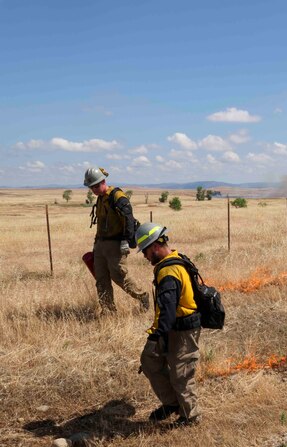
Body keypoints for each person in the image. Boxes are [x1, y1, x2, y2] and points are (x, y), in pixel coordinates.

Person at [136, 222, 201, 426]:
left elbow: (168, 310)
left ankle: (191, 417)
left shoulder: (169, 273)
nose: (145, 257)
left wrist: (157, 336)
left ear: (155, 246)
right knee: (150, 361)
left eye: (145, 251)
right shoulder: (176, 258)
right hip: (173, 328)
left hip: (182, 330)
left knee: (181, 374)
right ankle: (172, 403)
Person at [84, 167, 150, 313]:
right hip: (101, 245)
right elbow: (101, 224)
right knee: (101, 280)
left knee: (119, 276)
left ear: (103, 181)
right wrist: (96, 245)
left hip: (116, 244)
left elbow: (129, 219)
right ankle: (108, 312)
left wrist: (126, 240)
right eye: (91, 187)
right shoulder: (101, 199)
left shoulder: (117, 196)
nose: (94, 189)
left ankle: (142, 296)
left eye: (96, 185)